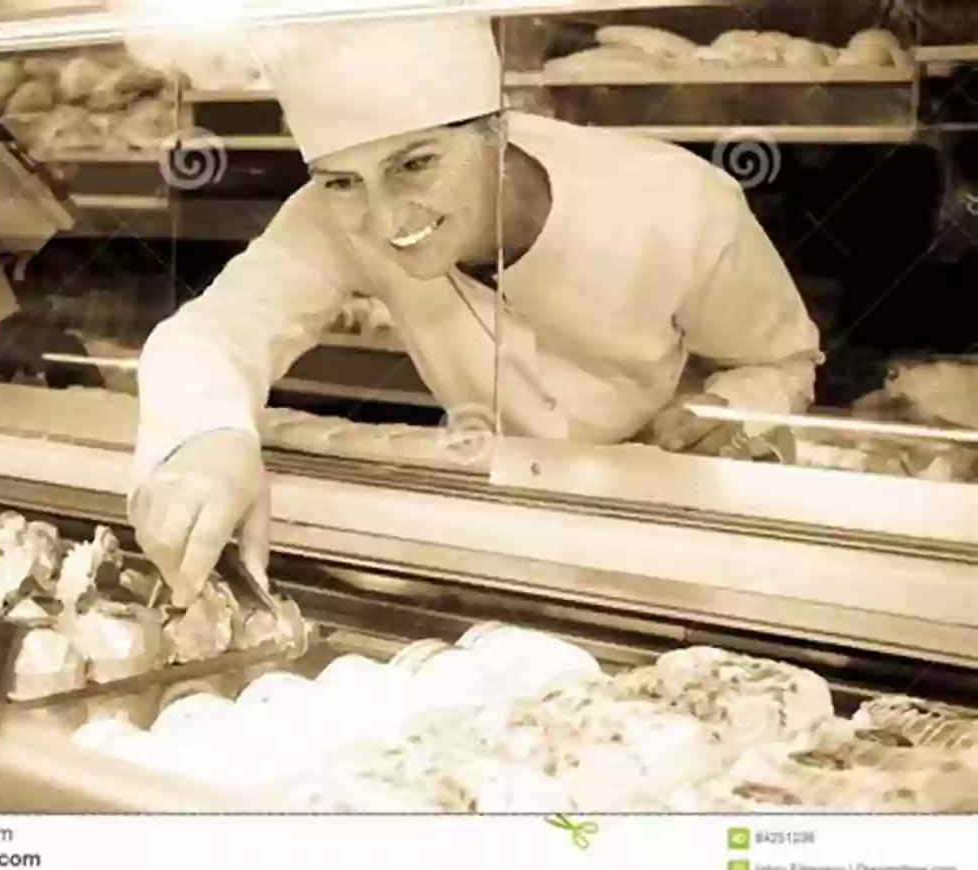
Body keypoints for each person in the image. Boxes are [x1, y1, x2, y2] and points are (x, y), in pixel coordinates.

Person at [128, 16, 822, 604]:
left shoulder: (680, 203)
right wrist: (207, 437)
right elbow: (215, 331)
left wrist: (726, 411)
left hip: (678, 542)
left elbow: (780, 359)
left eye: (416, 164)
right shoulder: (329, 218)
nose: (384, 217)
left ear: (495, 130)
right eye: (342, 180)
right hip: (499, 539)